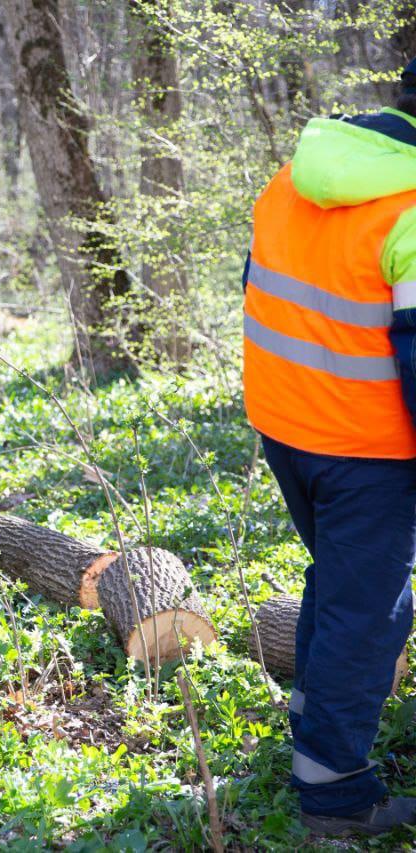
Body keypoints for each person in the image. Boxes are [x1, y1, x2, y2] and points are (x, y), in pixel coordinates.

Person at [243, 58, 416, 836]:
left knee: (340, 584)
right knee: (370, 611)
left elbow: (262, 287)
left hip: (286, 426)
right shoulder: (411, 212)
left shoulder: (297, 174)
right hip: (368, 447)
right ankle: (337, 791)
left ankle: (311, 722)